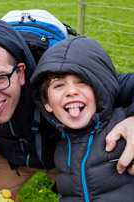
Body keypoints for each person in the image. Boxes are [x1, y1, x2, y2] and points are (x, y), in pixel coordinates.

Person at [0, 19, 134, 194]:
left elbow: (117, 85)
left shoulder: (50, 77)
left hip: (60, 156)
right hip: (12, 158)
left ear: (21, 72)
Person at [30, 35, 134, 201]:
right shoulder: (61, 145)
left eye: (82, 82)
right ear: (47, 104)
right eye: (59, 85)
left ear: (101, 89)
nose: (71, 91)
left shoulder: (123, 126)